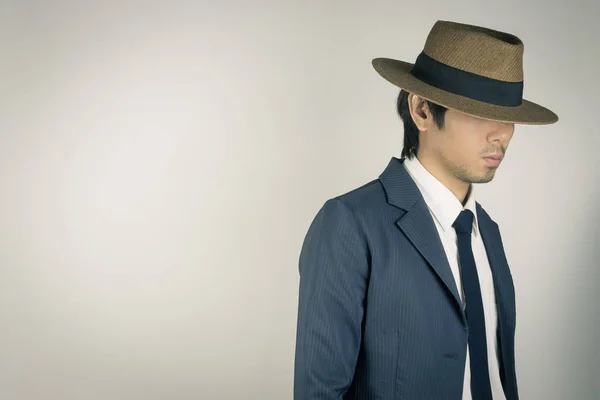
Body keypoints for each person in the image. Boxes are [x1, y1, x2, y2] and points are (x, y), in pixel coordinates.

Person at [293, 20, 558, 400]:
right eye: (481, 113)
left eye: (509, 118)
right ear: (421, 110)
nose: (500, 135)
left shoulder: (488, 231)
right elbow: (319, 391)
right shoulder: (351, 223)